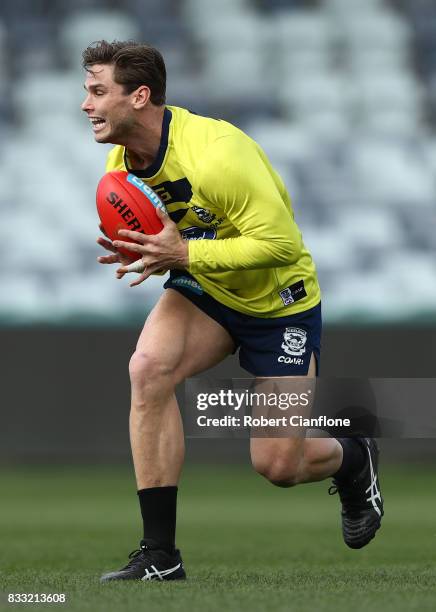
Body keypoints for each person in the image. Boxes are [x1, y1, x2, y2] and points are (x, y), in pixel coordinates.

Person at [81, 40, 384, 583]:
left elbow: (282, 247)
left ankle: (353, 457)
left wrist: (183, 253)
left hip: (279, 302)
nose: (87, 103)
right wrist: (146, 254)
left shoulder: (217, 152)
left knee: (278, 465)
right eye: (88, 91)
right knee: (147, 369)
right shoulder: (119, 163)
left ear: (140, 96)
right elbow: (171, 236)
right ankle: (160, 555)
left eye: (99, 90)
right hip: (208, 290)